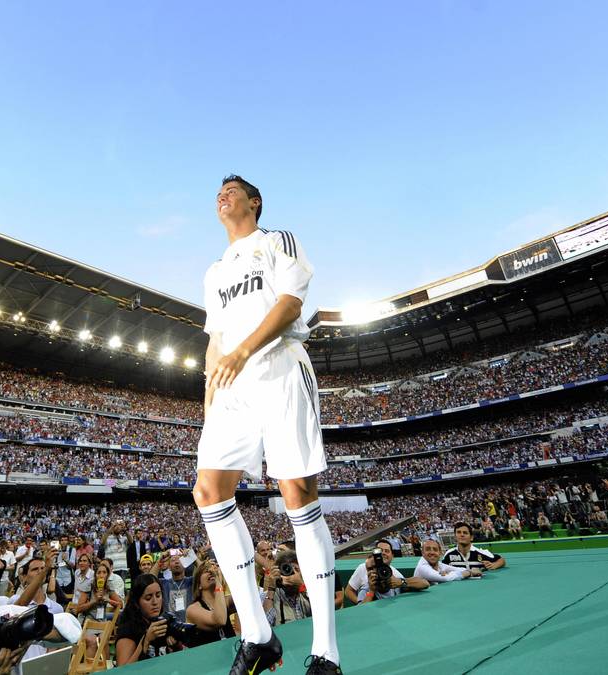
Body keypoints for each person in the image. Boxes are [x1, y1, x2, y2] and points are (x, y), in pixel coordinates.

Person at [193, 175, 341, 674]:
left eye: (232, 190)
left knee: (297, 491)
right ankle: (257, 635)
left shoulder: (276, 241)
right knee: (209, 490)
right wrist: (210, 401)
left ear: (254, 202)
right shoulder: (214, 272)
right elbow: (214, 342)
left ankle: (325, 653)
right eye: (219, 192)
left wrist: (241, 352)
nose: (222, 196)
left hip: (278, 368)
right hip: (232, 383)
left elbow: (289, 304)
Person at [112, 574, 184, 665]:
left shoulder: (162, 622)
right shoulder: (128, 629)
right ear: (137, 603)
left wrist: (176, 645)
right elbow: (122, 672)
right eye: (148, 598)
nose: (155, 602)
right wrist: (146, 641)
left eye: (158, 596)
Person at [344, 540, 424, 604]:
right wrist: (363, 599)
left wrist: (400, 582)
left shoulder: (395, 575)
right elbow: (349, 591)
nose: (383, 553)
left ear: (392, 556)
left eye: (387, 551)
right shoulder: (363, 569)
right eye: (380, 550)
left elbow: (424, 583)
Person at [185, 558, 233, 646]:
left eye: (214, 568)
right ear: (199, 585)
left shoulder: (226, 601)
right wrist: (218, 583)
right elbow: (220, 620)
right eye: (206, 570)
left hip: (232, 654)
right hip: (208, 657)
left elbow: (249, 597)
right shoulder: (192, 609)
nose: (211, 571)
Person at [264, 549, 311, 626]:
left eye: (296, 569)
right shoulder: (270, 596)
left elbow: (321, 613)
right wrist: (271, 588)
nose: (291, 572)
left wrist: (302, 584)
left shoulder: (307, 594)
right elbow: (266, 624)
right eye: (286, 569)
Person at [441, 523, 506, 574]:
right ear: (455, 537)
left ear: (471, 537)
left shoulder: (481, 553)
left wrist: (494, 565)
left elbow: (501, 560)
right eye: (458, 532)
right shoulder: (449, 554)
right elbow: (441, 568)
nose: (462, 535)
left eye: (465, 533)